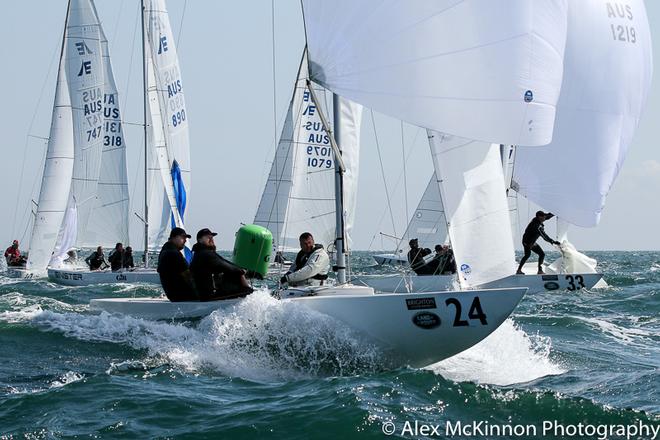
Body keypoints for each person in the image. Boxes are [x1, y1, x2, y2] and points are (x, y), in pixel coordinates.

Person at [190, 228, 253, 300]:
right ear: (199, 240)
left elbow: (225, 262)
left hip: (205, 294)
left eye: (212, 237)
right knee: (246, 289)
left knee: (234, 274)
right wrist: (242, 271)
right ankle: (249, 294)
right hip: (208, 296)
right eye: (208, 237)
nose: (211, 239)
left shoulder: (201, 252)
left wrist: (244, 271)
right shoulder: (205, 254)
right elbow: (223, 265)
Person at [157, 227, 196, 301]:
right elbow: (188, 277)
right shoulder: (173, 254)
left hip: (173, 295)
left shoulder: (165, 250)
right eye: (183, 237)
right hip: (182, 296)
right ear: (173, 238)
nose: (185, 240)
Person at [517, 211, 560, 275]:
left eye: (544, 216)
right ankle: (537, 271)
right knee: (531, 254)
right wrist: (552, 241)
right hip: (528, 242)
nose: (544, 218)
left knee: (539, 254)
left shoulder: (539, 219)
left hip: (530, 241)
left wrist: (556, 212)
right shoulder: (537, 226)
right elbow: (544, 236)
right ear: (539, 217)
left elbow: (548, 216)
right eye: (543, 217)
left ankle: (521, 270)